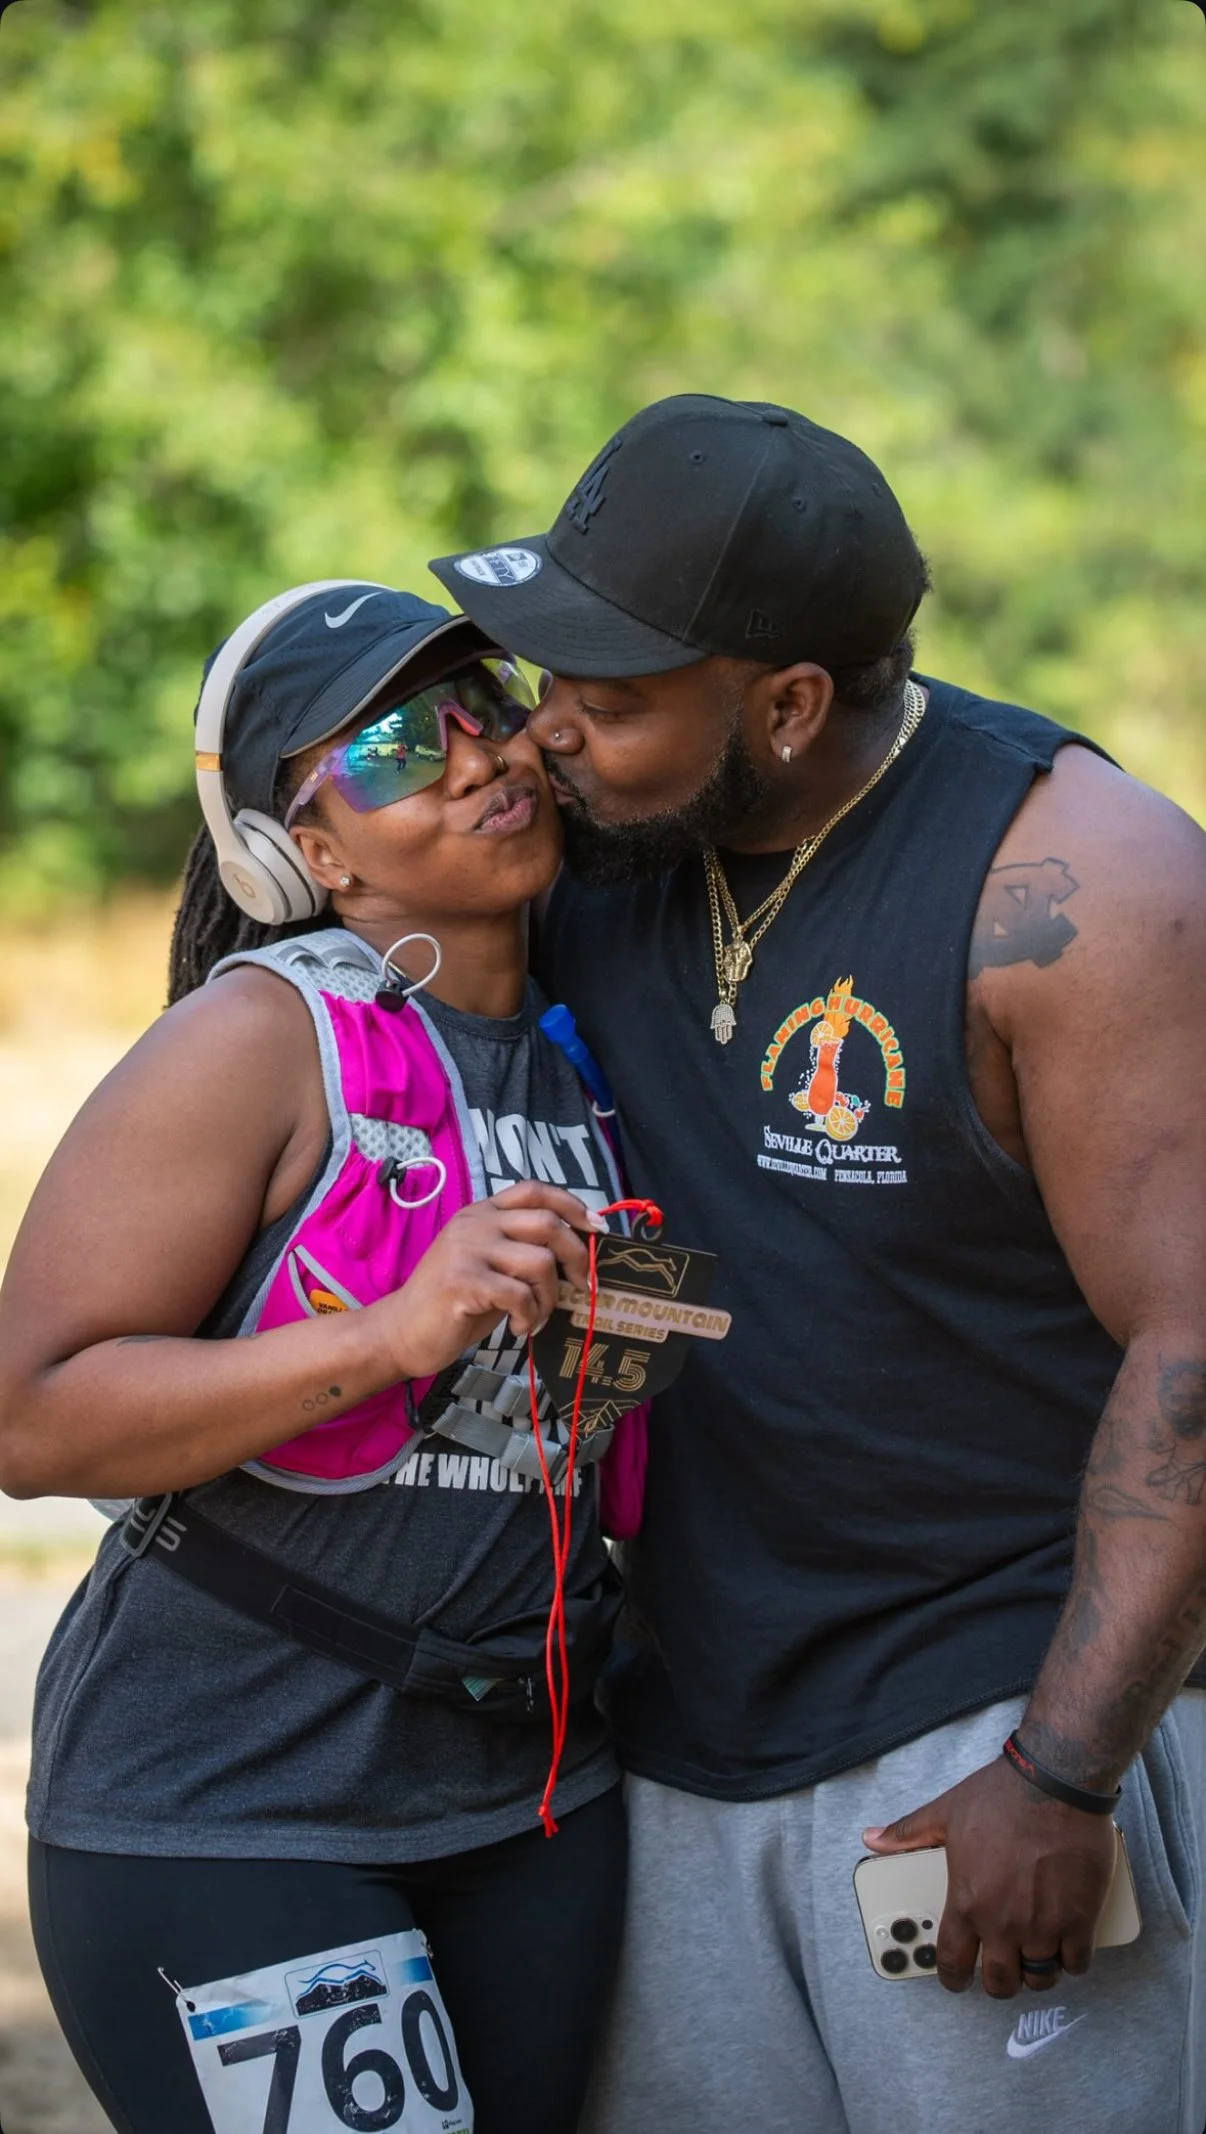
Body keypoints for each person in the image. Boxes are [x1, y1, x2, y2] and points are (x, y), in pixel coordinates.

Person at [431, 394, 1206, 2134]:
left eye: (607, 700)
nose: (545, 735)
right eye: (544, 680)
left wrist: (1060, 1775)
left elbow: (1192, 1349)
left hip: (982, 1725)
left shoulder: (1076, 883)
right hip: (674, 1725)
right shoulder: (603, 845)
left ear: (784, 705)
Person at [0, 582, 639, 2134]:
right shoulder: (265, 1040)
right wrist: (389, 1329)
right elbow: (27, 1415)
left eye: (486, 702)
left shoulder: (593, 1049)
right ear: (308, 847)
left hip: (530, 1796)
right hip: (229, 1804)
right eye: (401, 742)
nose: (477, 751)